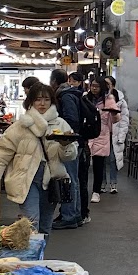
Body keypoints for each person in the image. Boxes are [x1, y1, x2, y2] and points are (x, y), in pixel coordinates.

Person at [0, 83, 60, 235]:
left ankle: (39, 257)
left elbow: (69, 156)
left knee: (45, 226)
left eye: (46, 99)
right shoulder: (19, 127)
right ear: (30, 102)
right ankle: (31, 259)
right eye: (38, 99)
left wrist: (67, 146)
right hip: (26, 179)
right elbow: (1, 154)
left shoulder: (60, 125)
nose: (42, 103)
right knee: (30, 224)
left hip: (50, 180)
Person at [51, 69, 88, 228]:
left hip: (70, 142)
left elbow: (71, 120)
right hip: (77, 142)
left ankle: (69, 216)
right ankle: (76, 214)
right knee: (74, 179)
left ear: (54, 81)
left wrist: (62, 134)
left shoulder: (65, 96)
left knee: (69, 179)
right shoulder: (72, 93)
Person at [89, 80, 122, 203]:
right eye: (92, 86)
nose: (94, 88)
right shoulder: (86, 98)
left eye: (97, 86)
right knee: (84, 165)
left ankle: (96, 191)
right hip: (87, 133)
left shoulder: (108, 100)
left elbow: (116, 119)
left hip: (102, 134)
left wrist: (113, 113)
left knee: (99, 165)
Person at [105, 75, 127, 194]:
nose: (106, 86)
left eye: (108, 84)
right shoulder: (99, 98)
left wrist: (121, 136)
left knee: (113, 159)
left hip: (115, 133)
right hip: (102, 134)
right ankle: (102, 183)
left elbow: (124, 120)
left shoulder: (120, 100)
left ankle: (113, 183)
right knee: (102, 160)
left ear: (113, 85)